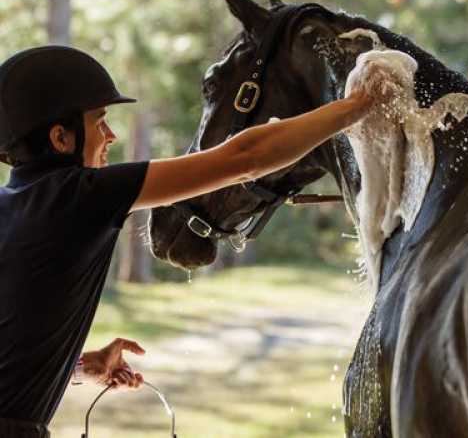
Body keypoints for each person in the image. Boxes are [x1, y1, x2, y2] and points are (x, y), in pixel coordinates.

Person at [0, 45, 371, 437]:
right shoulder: (81, 195)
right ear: (61, 138)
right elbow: (244, 158)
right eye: (99, 123)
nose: (110, 136)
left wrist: (75, 365)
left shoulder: (9, 204)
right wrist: (358, 104)